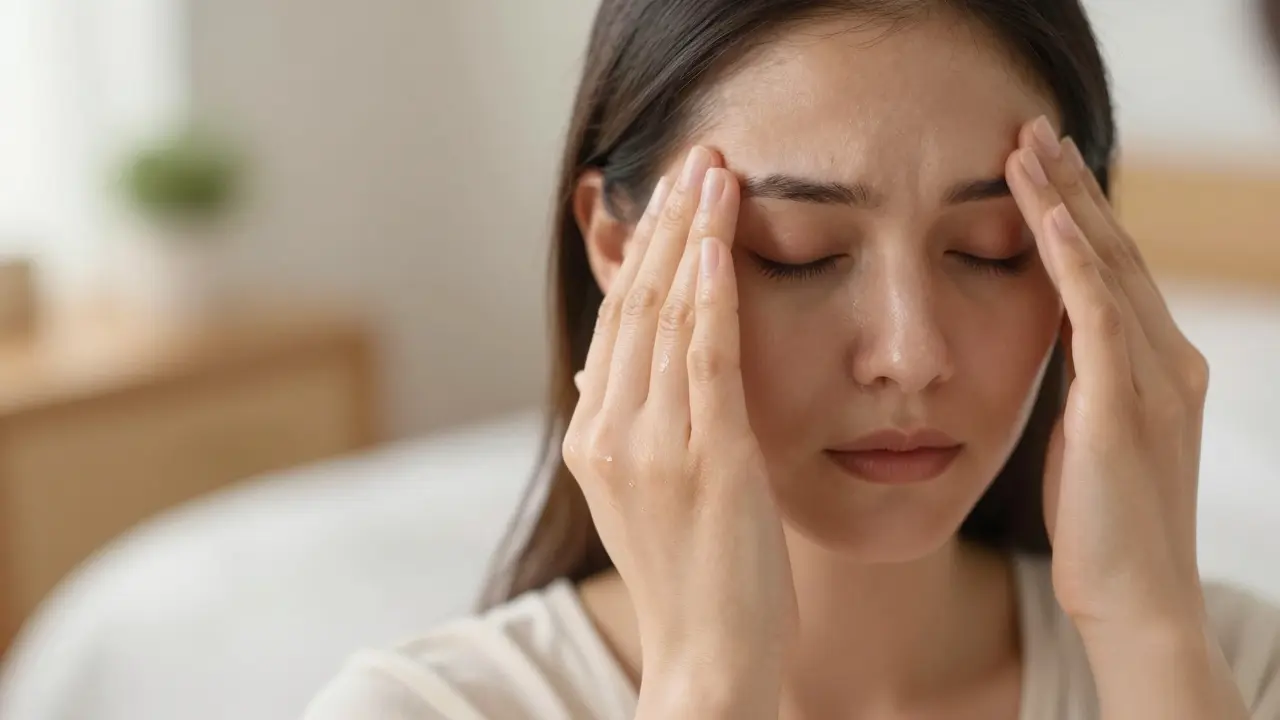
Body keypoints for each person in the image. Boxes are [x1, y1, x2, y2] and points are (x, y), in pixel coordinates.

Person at [304, 1, 1280, 718]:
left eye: (991, 249)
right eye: (797, 255)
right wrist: (709, 680)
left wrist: (1152, 640)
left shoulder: (1231, 669)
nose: (909, 354)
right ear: (615, 246)